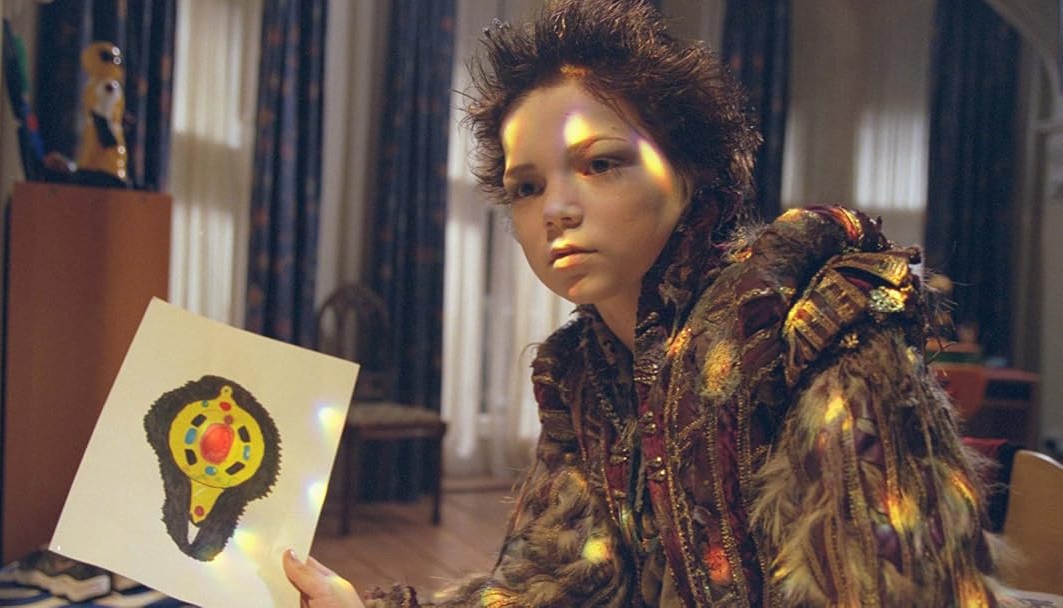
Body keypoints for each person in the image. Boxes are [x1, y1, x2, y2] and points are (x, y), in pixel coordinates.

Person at [283, 0, 1054, 605]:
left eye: (600, 163)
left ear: (688, 173)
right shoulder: (583, 372)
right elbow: (555, 582)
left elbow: (890, 588)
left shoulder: (811, 318)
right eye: (527, 186)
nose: (555, 209)